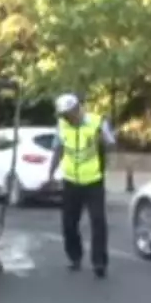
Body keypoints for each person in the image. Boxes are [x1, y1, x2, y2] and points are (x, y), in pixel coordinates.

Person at [46, 93, 116, 278]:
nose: (66, 118)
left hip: (93, 180)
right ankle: (74, 256)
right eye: (63, 115)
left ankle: (99, 263)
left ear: (77, 109)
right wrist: (51, 173)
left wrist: (103, 143)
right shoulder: (62, 126)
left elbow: (111, 144)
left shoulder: (97, 122)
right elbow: (58, 149)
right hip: (71, 181)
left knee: (98, 222)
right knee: (69, 223)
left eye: (68, 114)